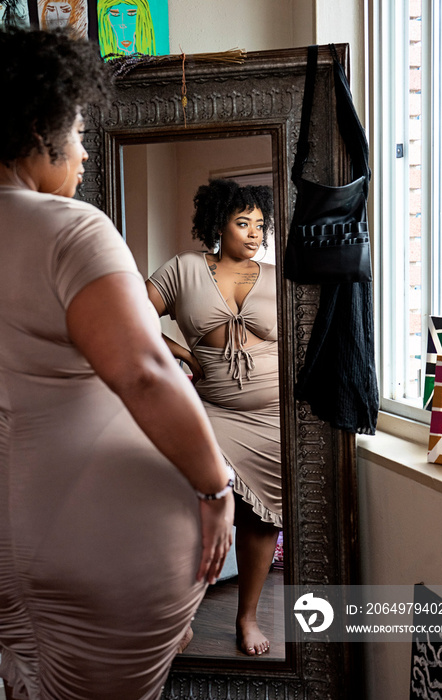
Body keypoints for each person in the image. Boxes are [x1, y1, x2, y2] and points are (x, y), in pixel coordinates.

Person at [0, 27, 233, 700]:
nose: (79, 156)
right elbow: (143, 372)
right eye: (75, 133)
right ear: (39, 127)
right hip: (97, 547)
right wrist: (215, 489)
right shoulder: (69, 229)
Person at [146, 179, 282, 657]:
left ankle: (247, 619)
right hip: (212, 413)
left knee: (261, 519)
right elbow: (130, 315)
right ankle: (179, 614)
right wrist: (183, 353)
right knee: (185, 511)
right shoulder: (183, 269)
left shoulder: (275, 274)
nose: (253, 234)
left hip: (274, 416)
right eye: (242, 223)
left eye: (260, 225)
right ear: (217, 224)